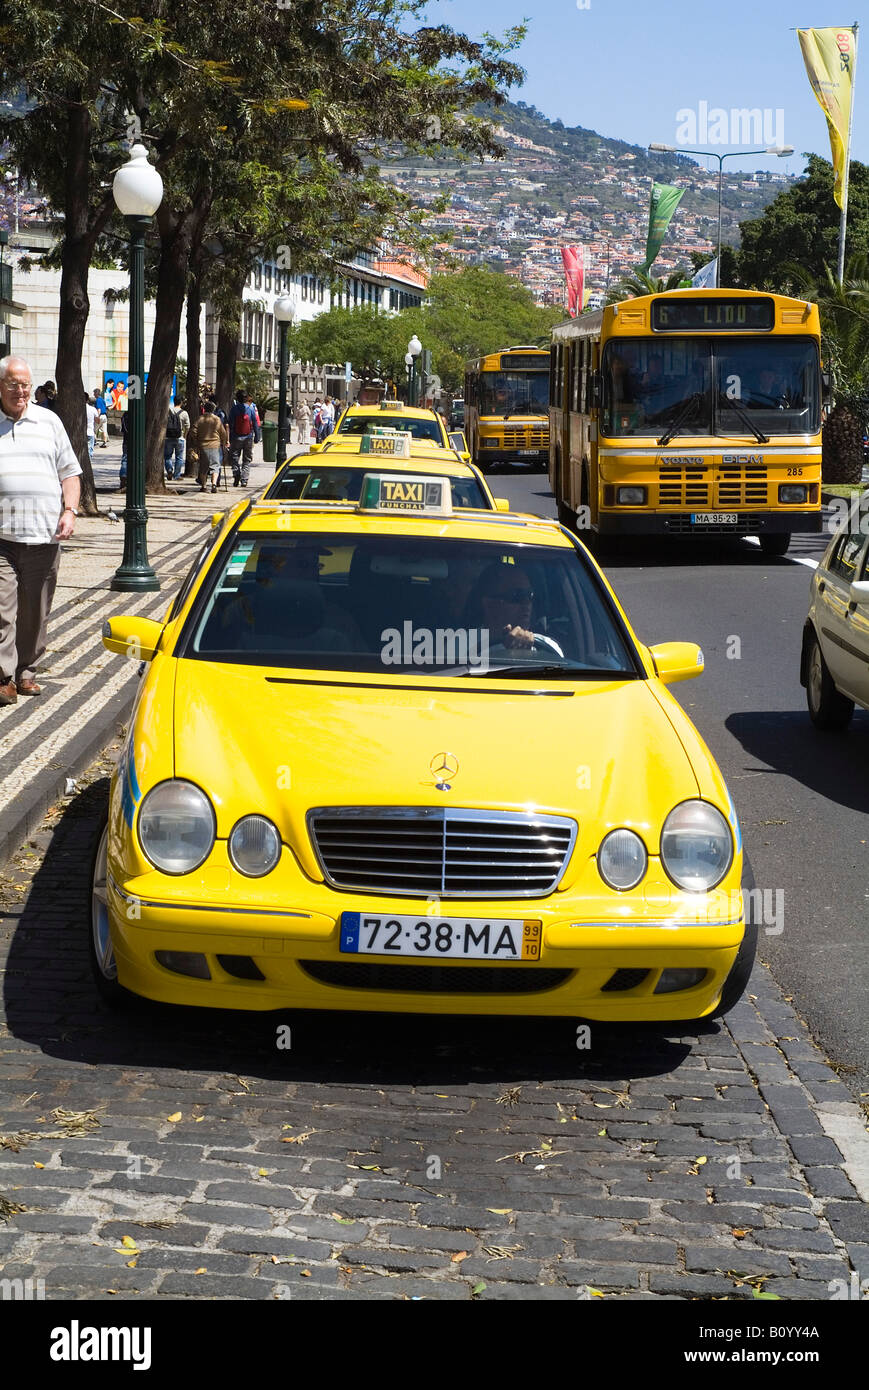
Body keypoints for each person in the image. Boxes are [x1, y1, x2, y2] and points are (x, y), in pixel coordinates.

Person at [0, 355, 82, 705]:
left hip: (44, 535)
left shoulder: (49, 422)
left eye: (24, 385)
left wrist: (70, 511)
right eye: (12, 384)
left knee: (35, 610)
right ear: (0, 386)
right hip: (2, 538)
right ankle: (4, 676)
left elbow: (70, 473)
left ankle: (26, 670)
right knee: (2, 609)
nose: (20, 391)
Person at [466, 562, 564, 659]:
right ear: (488, 604)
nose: (527, 603)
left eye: (530, 595)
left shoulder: (548, 647)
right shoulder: (460, 646)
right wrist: (503, 651)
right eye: (516, 595)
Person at [186, 401, 229, 493]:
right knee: (215, 466)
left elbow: (193, 431)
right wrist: (224, 442)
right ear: (213, 409)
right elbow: (223, 432)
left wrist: (196, 440)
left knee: (203, 467)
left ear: (205, 409)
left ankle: (204, 486)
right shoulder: (217, 419)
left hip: (203, 446)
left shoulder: (200, 419)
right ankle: (214, 484)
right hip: (215, 445)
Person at [227, 389, 260, 487]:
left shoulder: (234, 409)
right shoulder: (250, 409)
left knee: (234, 458)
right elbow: (255, 423)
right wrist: (257, 437)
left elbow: (230, 423)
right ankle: (244, 480)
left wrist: (229, 437)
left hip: (236, 437)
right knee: (247, 459)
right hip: (248, 437)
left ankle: (236, 473)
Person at [164, 395, 190, 480]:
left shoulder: (168, 411)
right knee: (179, 457)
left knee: (167, 456)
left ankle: (169, 470)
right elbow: (187, 426)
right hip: (180, 438)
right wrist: (185, 435)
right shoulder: (184, 413)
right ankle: (177, 475)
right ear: (181, 402)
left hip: (168, 437)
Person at [84, 391, 98, 461]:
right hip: (90, 432)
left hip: (80, 433)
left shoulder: (77, 410)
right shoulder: (92, 409)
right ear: (87, 400)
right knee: (90, 451)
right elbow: (98, 420)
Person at [118, 411, 128, 490]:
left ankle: (123, 475)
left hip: (126, 440)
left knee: (125, 459)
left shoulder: (125, 415)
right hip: (138, 441)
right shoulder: (142, 414)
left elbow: (123, 429)